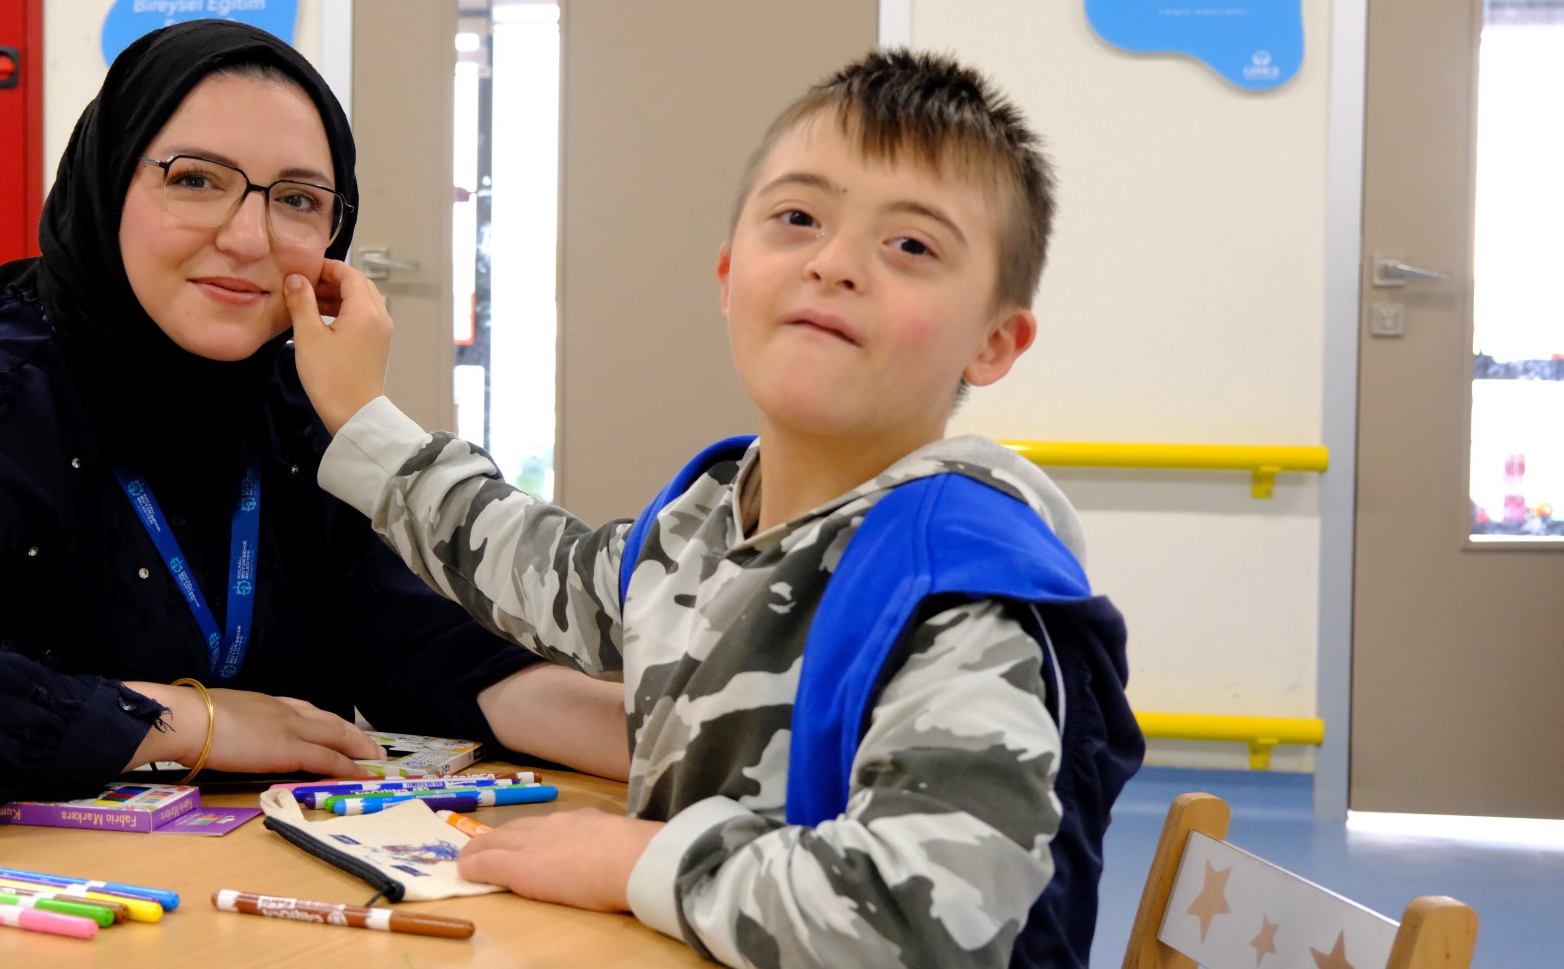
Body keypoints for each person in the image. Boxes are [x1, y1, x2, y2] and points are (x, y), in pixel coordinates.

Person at [283, 50, 1143, 967]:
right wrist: (363, 421)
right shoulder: (712, 521)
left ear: (996, 341)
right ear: (731, 275)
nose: (836, 262)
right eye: (799, 218)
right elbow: (546, 569)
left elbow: (915, 922)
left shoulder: (966, 590)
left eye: (913, 246)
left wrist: (643, 859)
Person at [0, 20, 626, 836]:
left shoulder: (295, 393)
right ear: (109, 186)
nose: (248, 236)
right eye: (196, 180)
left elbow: (430, 645)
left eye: (299, 198)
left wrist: (685, 732)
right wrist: (187, 720)